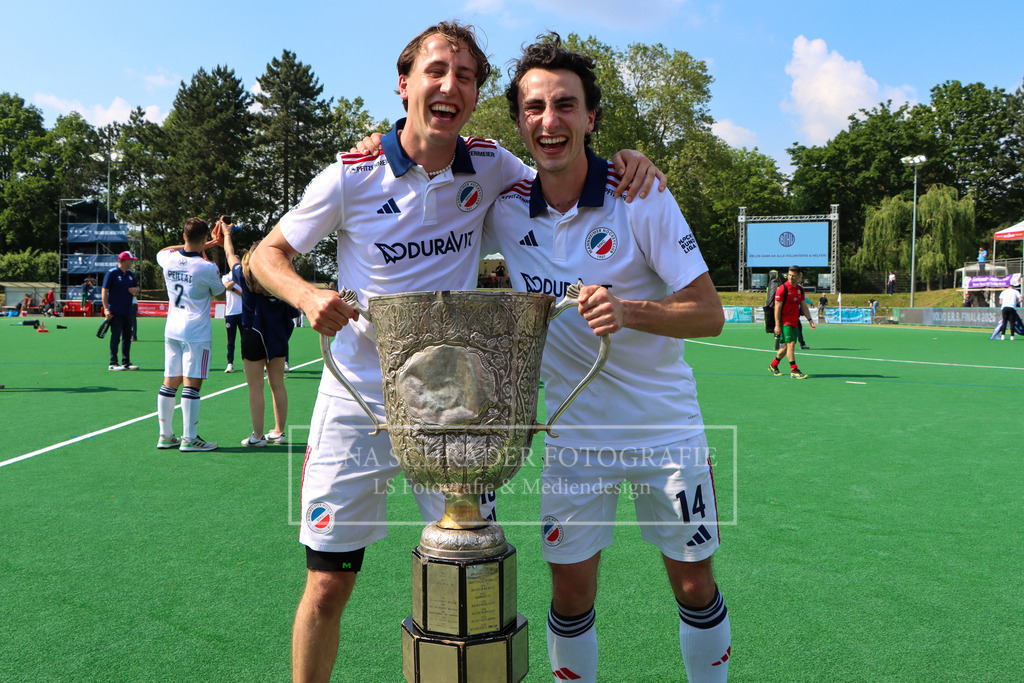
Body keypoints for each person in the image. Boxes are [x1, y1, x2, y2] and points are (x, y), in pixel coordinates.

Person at [248, 21, 664, 682]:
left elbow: (562, 176)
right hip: (357, 403)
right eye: (436, 71)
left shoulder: (493, 164)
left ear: (473, 96)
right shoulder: (351, 176)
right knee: (327, 586)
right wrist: (304, 296)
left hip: (453, 409)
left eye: (465, 76)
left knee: (474, 575)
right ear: (404, 84)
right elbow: (263, 254)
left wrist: (628, 159)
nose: (450, 84)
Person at [479, 35, 729, 682]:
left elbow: (709, 313)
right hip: (574, 439)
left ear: (591, 117)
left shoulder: (638, 194)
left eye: (566, 105)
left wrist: (630, 310)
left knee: (695, 584)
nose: (549, 120)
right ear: (519, 122)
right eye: (534, 107)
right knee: (569, 595)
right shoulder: (507, 207)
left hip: (665, 430)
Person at [155, 218, 226, 452]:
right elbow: (219, 293)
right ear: (205, 238)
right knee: (192, 384)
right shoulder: (207, 267)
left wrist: (201, 244)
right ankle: (189, 438)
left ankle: (165, 436)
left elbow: (165, 250)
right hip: (196, 331)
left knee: (169, 381)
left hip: (172, 328)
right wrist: (212, 245)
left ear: (183, 236)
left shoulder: (169, 259)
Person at [222, 228, 296, 446]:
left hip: (252, 334)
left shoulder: (245, 275)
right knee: (278, 385)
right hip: (278, 334)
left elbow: (230, 255)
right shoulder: (281, 277)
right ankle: (279, 432)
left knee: (255, 387)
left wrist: (226, 235)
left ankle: (257, 436)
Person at [770, 265, 816, 379]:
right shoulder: (782, 289)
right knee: (791, 344)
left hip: (795, 322)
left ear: (799, 277)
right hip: (784, 322)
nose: (790, 277)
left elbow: (804, 306)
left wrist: (810, 320)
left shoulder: (800, 289)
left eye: (793, 276)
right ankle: (794, 370)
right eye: (789, 275)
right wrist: (777, 325)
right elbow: (777, 308)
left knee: (786, 347)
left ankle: (773, 365)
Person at [101, 251, 140, 371]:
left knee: (127, 337)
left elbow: (136, 289)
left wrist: (136, 290)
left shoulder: (130, 274)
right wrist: (106, 309)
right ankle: (113, 363)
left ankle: (126, 362)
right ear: (124, 260)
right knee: (116, 337)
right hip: (115, 311)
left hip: (128, 311)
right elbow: (104, 291)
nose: (132, 262)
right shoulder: (112, 273)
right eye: (130, 260)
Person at [222, 270, 243, 373]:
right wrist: (235, 280)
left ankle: (246, 363)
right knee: (230, 341)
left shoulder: (244, 277)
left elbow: (244, 294)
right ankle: (230, 363)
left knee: (245, 340)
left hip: (243, 313)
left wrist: (232, 288)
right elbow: (226, 287)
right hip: (230, 313)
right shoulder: (226, 277)